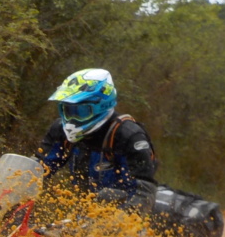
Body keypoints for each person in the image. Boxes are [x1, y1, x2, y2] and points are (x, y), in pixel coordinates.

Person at [37, 68, 157, 212]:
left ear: (102, 105)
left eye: (80, 112)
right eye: (67, 111)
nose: (72, 119)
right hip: (82, 215)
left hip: (121, 219)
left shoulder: (128, 135)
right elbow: (38, 170)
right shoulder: (60, 131)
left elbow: (143, 192)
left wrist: (116, 219)